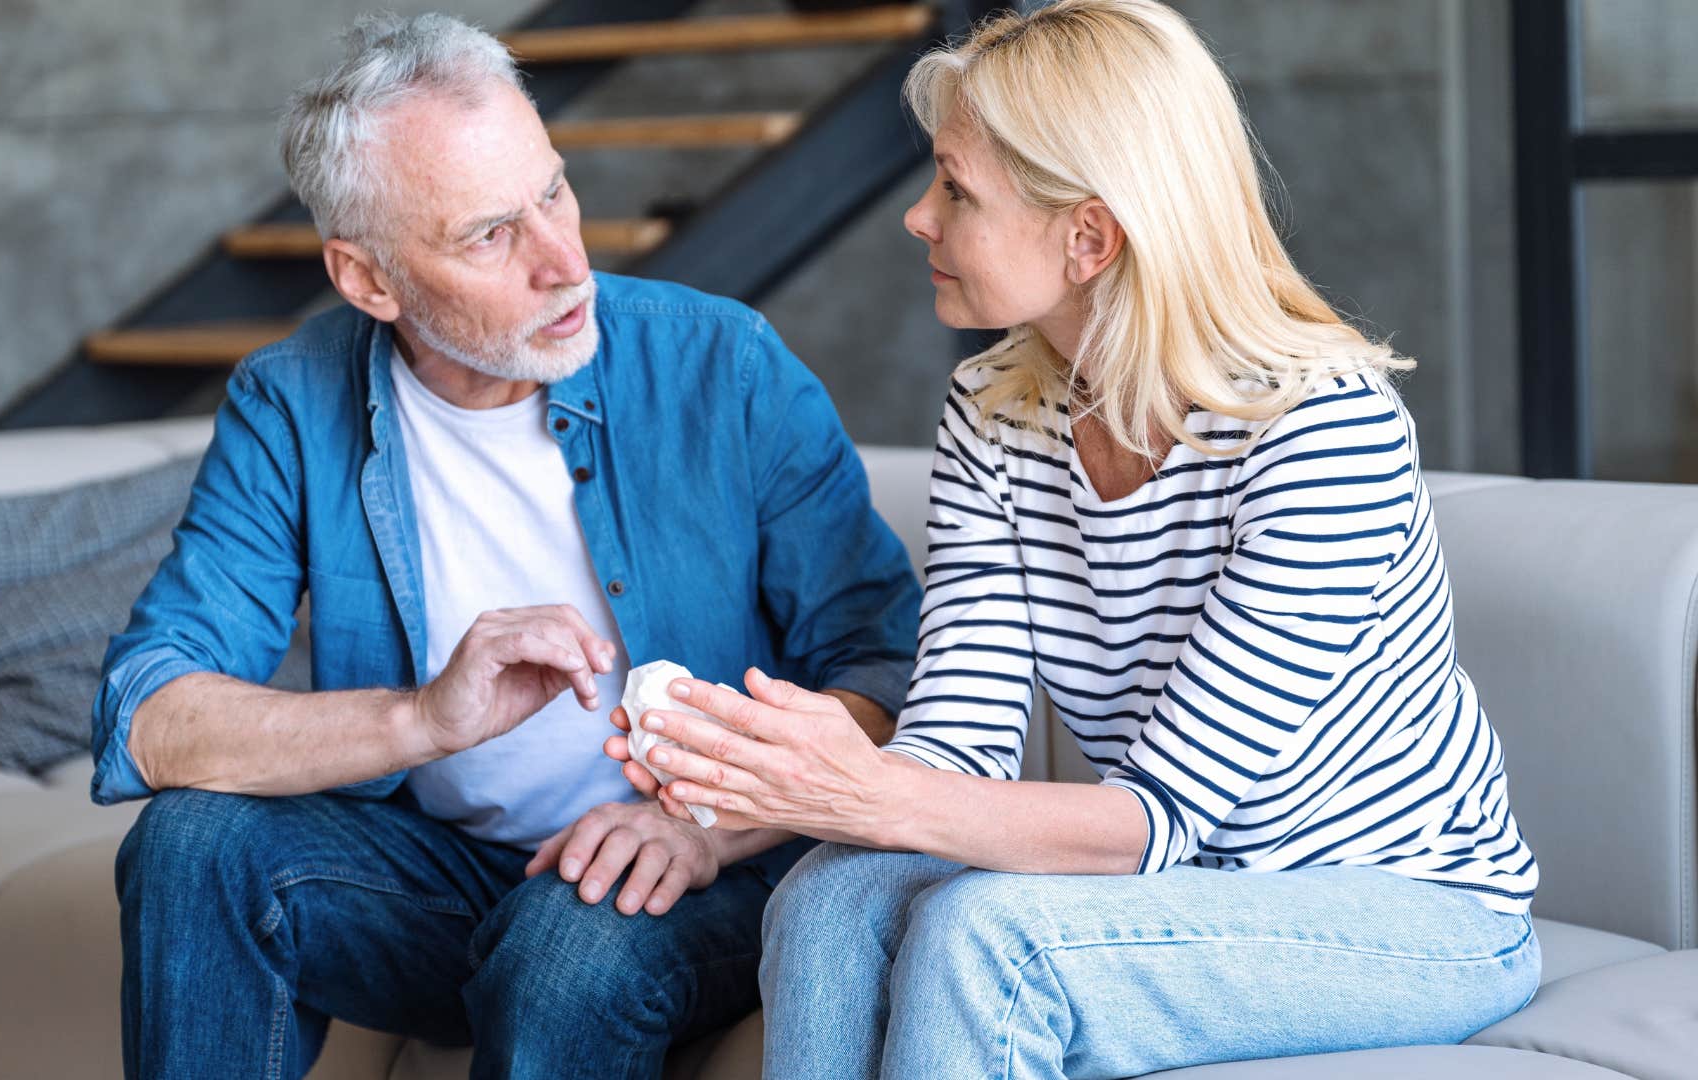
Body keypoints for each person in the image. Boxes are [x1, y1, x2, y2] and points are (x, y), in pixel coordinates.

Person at [606, 2, 1541, 1076]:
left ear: (1088, 236)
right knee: (831, 893)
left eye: (957, 188)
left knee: (988, 940)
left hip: (1412, 910)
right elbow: (959, 739)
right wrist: (766, 773)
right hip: (1187, 888)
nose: (918, 216)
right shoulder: (996, 414)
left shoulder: (1322, 431)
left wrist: (857, 789)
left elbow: (1156, 818)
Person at [90, 12, 920, 1079]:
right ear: (369, 280)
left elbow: (888, 665)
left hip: (715, 868)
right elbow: (154, 713)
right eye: (491, 235)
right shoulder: (291, 403)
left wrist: (704, 822)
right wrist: (423, 717)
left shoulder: (724, 363)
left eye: (554, 192)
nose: (566, 260)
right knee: (191, 844)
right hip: (441, 875)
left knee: (573, 941)